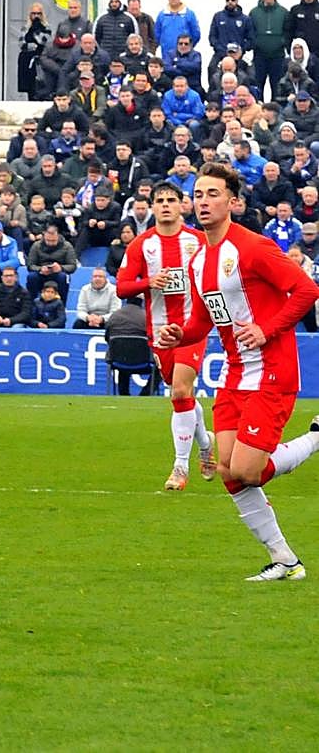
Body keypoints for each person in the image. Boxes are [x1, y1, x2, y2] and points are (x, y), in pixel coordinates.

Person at [157, 162, 319, 581]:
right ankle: (285, 560)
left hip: (271, 371)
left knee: (247, 469)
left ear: (234, 202)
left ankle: (315, 438)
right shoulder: (199, 262)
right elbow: (205, 321)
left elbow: (306, 289)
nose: (203, 201)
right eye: (198, 194)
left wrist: (268, 328)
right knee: (231, 474)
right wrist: (180, 334)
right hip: (233, 375)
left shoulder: (253, 247)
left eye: (213, 194)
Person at [115, 181, 214, 489]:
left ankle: (180, 468)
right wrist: (149, 282)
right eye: (160, 200)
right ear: (152, 207)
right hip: (159, 331)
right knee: (180, 394)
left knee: (181, 392)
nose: (166, 205)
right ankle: (206, 445)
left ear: (182, 205)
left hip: (192, 328)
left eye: (172, 199)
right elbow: (122, 287)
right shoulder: (141, 245)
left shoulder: (199, 241)